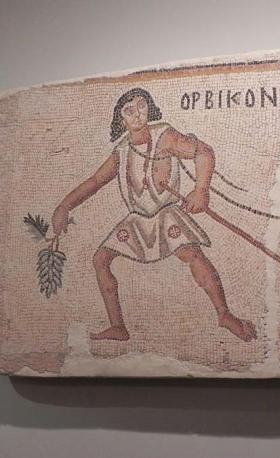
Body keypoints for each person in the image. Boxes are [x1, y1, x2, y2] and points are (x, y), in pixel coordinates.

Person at [51, 87, 257, 342]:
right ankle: (118, 327)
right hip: (138, 219)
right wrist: (64, 206)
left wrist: (201, 189)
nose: (137, 114)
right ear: (120, 119)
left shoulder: (165, 137)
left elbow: (203, 151)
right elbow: (94, 181)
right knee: (100, 260)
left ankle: (224, 315)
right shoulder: (122, 151)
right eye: (129, 110)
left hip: (165, 214)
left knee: (192, 254)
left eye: (141, 105)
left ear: (149, 107)